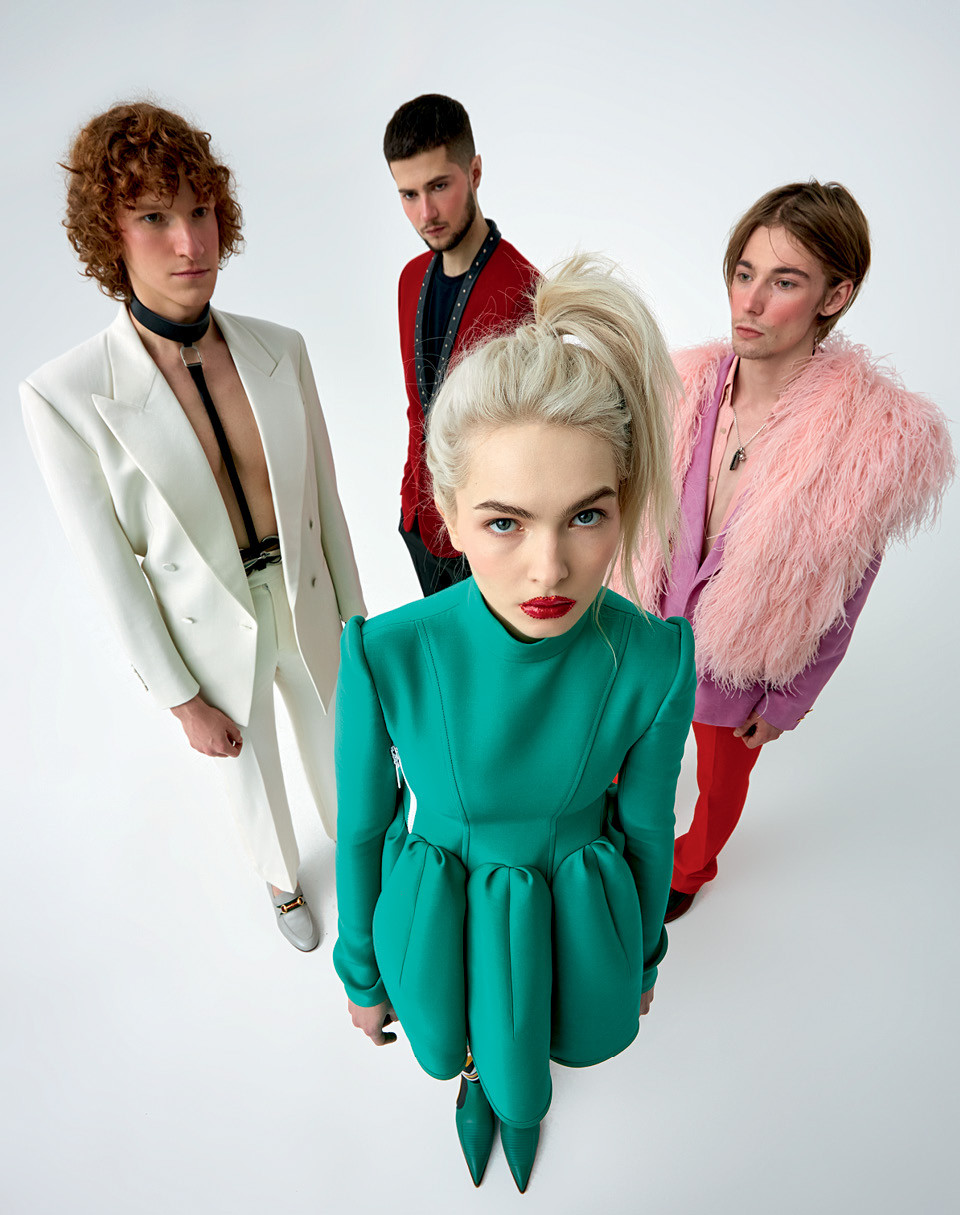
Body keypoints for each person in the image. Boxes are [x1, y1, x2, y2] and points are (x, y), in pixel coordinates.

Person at [333, 257, 696, 1190]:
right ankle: (475, 1082)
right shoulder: (386, 652)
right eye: (505, 522)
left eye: (586, 515)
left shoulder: (654, 657)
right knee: (462, 1017)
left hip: (573, 904)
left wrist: (642, 953)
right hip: (442, 898)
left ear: (622, 502)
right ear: (449, 516)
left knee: (539, 1019)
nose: (549, 568)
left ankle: (520, 1098)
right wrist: (362, 970)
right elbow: (365, 827)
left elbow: (648, 827)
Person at [21, 102, 365, 950]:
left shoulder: (281, 347)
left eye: (201, 209)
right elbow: (111, 570)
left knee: (349, 756)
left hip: (305, 593)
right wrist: (180, 699)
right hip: (210, 625)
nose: (190, 242)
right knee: (255, 780)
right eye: (154, 217)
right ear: (110, 233)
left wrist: (359, 631)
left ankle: (369, 865)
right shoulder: (64, 395)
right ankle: (283, 882)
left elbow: (326, 505)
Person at [624, 181, 954, 922]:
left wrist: (789, 699)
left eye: (783, 282)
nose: (749, 301)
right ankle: (617, 843)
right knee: (623, 751)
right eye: (744, 273)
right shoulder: (676, 388)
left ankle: (690, 868)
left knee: (719, 783)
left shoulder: (868, 441)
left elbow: (846, 591)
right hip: (647, 634)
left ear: (834, 296)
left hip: (743, 658)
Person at [384, 93, 538, 596]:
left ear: (474, 172)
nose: (425, 212)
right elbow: (417, 407)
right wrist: (409, 507)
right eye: (409, 195)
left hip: (488, 535)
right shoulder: (410, 279)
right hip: (421, 523)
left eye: (438, 186)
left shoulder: (523, 288)